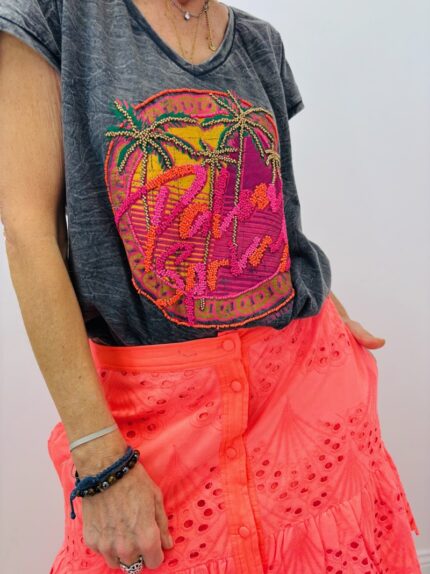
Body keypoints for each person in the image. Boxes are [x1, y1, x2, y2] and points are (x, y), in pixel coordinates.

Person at [0, 1, 421, 572]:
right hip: (150, 414)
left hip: (301, 389)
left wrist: (325, 299)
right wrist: (99, 461)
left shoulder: (257, 43)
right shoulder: (55, 18)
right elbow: (29, 237)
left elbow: (268, 216)